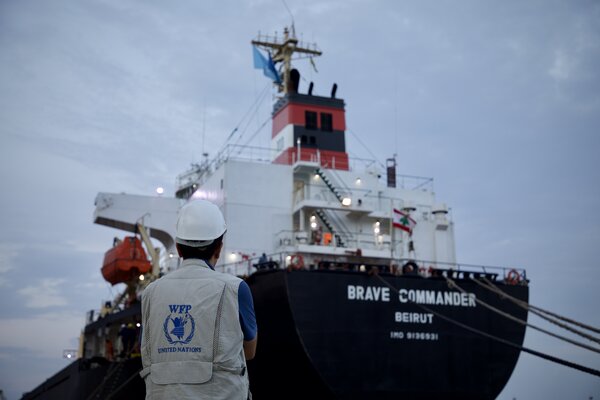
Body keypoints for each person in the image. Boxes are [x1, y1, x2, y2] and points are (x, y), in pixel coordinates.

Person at [140, 199, 257, 400]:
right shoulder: (236, 289)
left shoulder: (150, 293)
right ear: (219, 248)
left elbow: (149, 351)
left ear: (178, 248)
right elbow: (250, 351)